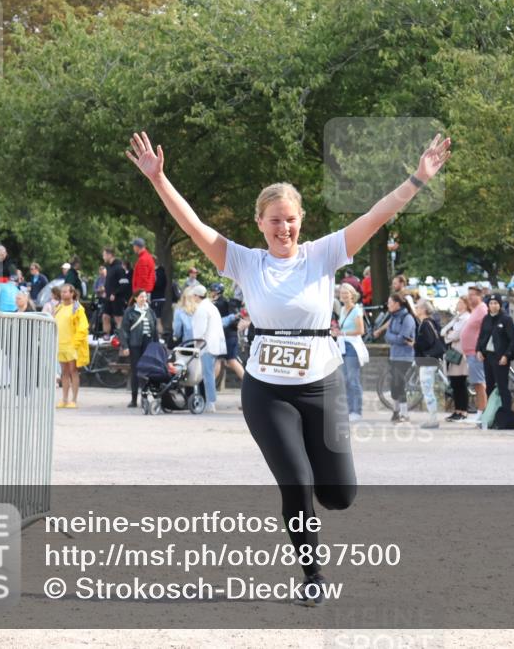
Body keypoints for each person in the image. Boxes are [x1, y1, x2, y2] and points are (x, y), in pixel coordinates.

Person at [126, 129, 450, 604]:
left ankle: (325, 486)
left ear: (302, 221)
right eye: (275, 221)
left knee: (339, 496)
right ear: (259, 223)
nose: (284, 229)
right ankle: (313, 576)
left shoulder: (324, 254)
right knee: (295, 483)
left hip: (322, 383)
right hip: (267, 391)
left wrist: (418, 179)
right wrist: (159, 180)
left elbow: (378, 216)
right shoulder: (244, 261)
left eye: (291, 220)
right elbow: (195, 226)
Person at [476, 293, 514, 429]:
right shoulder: (486, 319)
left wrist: (507, 355)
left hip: (500, 358)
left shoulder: (506, 320)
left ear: (500, 305)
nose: (493, 306)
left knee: (502, 387)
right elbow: (481, 336)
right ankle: (490, 415)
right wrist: (479, 350)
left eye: (496, 303)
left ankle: (505, 417)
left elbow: (513, 339)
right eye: (491, 303)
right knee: (489, 386)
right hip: (488, 357)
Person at [187, 284, 227, 412]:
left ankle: (211, 402)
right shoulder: (211, 307)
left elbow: (199, 331)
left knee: (207, 374)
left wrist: (196, 347)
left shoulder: (202, 309)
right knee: (209, 373)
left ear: (196, 296)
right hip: (214, 345)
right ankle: (210, 401)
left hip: (206, 346)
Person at [118, 289, 159, 408]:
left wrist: (156, 345)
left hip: (148, 343)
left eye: (145, 297)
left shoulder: (150, 311)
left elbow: (155, 329)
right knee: (136, 371)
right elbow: (124, 330)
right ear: (136, 298)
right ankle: (134, 398)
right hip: (135, 344)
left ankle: (145, 397)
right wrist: (125, 346)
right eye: (141, 297)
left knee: (146, 370)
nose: (143, 299)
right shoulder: (130, 312)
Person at [333, 283, 366, 422]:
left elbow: (360, 331)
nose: (344, 295)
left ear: (352, 294)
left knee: (353, 380)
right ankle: (347, 410)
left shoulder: (356, 310)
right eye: (342, 293)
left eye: (347, 293)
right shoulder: (342, 310)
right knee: (344, 380)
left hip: (352, 346)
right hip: (342, 346)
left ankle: (356, 411)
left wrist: (342, 332)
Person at [384, 292, 417, 423]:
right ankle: (396, 411)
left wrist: (393, 337)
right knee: (394, 385)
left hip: (405, 357)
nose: (388, 306)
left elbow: (403, 337)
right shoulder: (393, 318)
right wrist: (394, 337)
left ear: (397, 304)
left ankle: (404, 413)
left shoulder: (407, 318)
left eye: (390, 303)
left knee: (400, 383)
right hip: (394, 355)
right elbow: (387, 336)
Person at [54, 284, 88, 408]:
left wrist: (76, 343)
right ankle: (64, 399)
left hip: (72, 344)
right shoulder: (58, 307)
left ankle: (74, 399)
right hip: (60, 344)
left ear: (72, 293)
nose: (63, 294)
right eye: (62, 292)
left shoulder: (77, 308)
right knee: (64, 372)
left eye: (66, 292)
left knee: (73, 371)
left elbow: (83, 326)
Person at [413, 300, 445, 429]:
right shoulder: (429, 323)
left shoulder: (425, 324)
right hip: (431, 360)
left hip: (427, 360)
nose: (416, 309)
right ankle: (432, 417)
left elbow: (427, 341)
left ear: (423, 310)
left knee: (427, 389)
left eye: (418, 307)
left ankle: (433, 418)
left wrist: (415, 344)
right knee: (428, 389)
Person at [460, 285, 489, 422]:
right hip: (470, 352)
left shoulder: (482, 309)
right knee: (476, 382)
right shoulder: (476, 310)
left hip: (476, 352)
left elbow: (486, 331)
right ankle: (480, 410)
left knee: (479, 383)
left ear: (480, 296)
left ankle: (482, 411)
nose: (469, 297)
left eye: (473, 295)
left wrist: (480, 349)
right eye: (469, 294)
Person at [441, 296, 471, 422]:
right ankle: (457, 409)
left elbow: (458, 334)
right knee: (454, 382)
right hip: (453, 351)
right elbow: (443, 331)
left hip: (461, 352)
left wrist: (449, 335)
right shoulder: (457, 318)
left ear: (465, 304)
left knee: (460, 382)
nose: (457, 304)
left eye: (460, 302)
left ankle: (463, 411)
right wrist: (449, 335)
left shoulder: (466, 318)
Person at [211, 282, 246, 388]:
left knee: (226, 360)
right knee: (226, 360)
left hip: (226, 335)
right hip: (231, 334)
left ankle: (209, 386)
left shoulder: (217, 304)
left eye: (212, 290)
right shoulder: (226, 302)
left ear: (216, 291)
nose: (211, 292)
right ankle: (210, 386)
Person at [102, 247, 131, 336]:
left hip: (117, 298)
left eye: (104, 255)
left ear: (109, 255)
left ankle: (121, 338)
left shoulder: (119, 268)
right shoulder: (109, 267)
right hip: (108, 298)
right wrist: (105, 291)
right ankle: (106, 336)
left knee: (118, 319)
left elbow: (124, 284)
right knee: (105, 317)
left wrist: (115, 293)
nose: (103, 257)